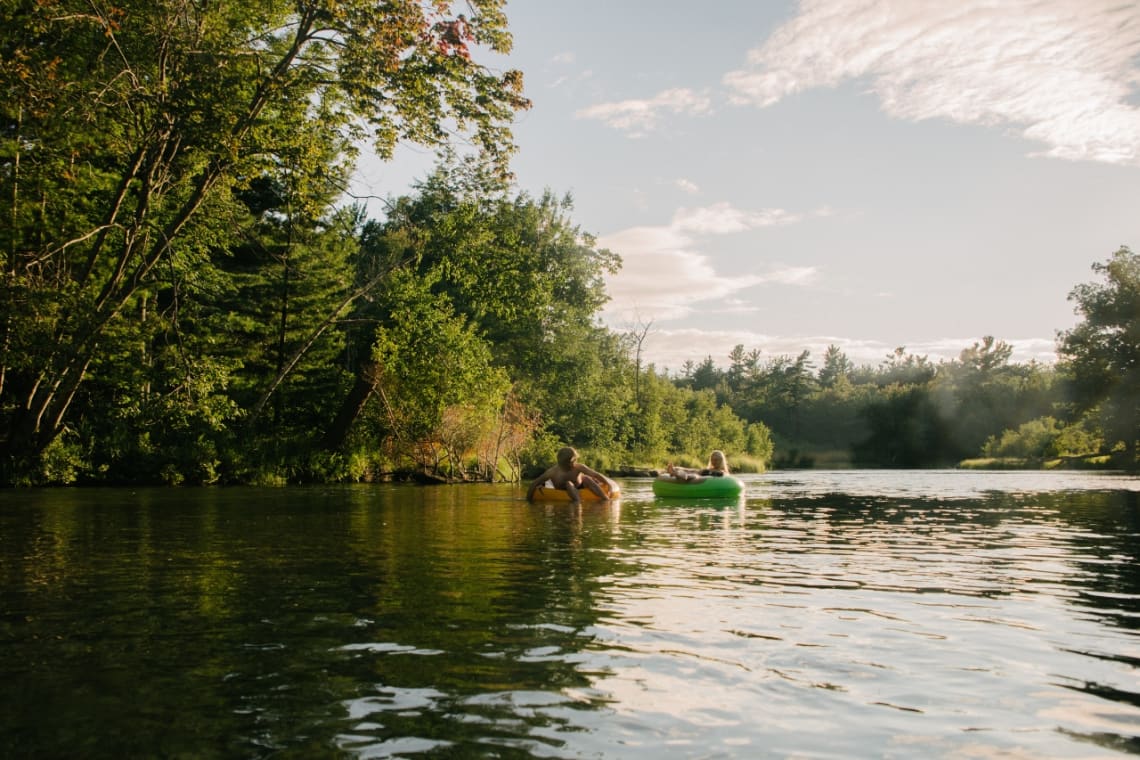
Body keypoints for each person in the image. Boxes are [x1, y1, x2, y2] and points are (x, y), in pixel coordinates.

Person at [527, 446, 610, 503]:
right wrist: (529, 500)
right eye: (570, 463)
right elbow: (534, 483)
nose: (573, 465)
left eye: (574, 462)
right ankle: (578, 502)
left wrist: (608, 485)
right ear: (562, 464)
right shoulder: (552, 472)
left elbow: (595, 474)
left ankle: (605, 498)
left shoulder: (578, 467)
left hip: (580, 485)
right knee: (568, 484)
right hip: (564, 490)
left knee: (587, 478)